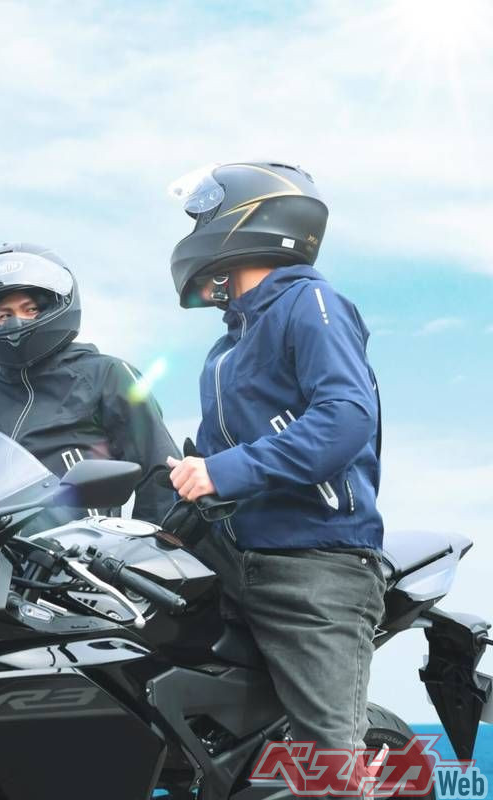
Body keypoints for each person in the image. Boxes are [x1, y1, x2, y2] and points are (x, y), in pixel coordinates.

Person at [164, 162, 385, 774]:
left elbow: (345, 418)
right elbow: (225, 456)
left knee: (329, 764)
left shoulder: (310, 302)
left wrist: (223, 472)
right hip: (234, 558)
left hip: (311, 563)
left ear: (248, 217)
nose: (196, 232)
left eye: (205, 215)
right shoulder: (229, 345)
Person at [0, 242, 178, 523]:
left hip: (84, 544)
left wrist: (148, 541)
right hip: (6, 545)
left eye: (30, 309)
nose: (16, 323)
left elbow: (159, 473)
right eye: (5, 315)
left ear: (55, 304)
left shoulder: (108, 375)